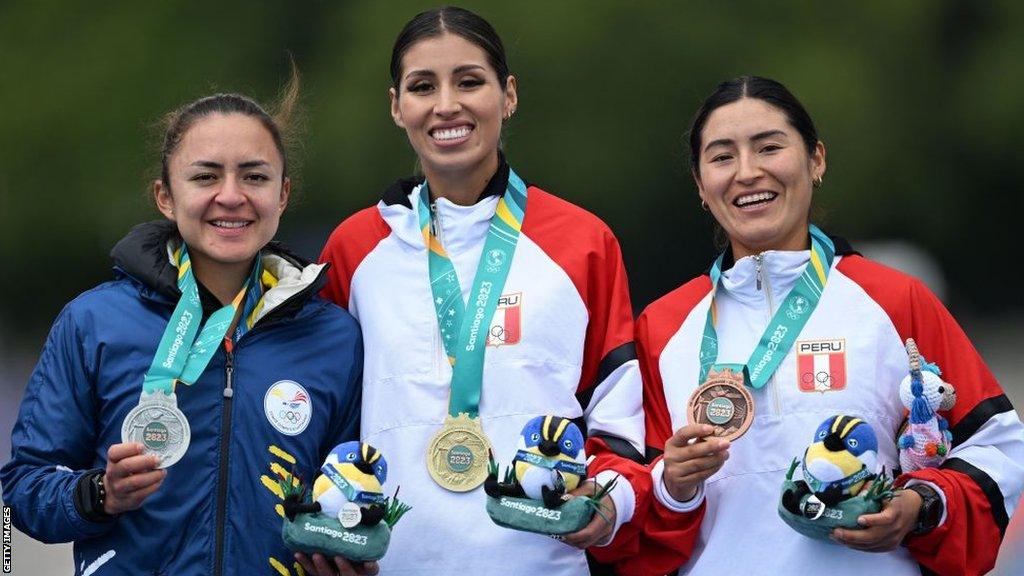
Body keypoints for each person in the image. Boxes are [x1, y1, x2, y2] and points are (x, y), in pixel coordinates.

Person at [319, 6, 666, 575]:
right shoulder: (354, 249)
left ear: (508, 95)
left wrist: (609, 501)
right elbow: (326, 422)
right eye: (422, 86)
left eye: (470, 81)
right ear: (396, 105)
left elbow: (619, 426)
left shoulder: (582, 241)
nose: (447, 105)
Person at [634, 75, 1024, 575]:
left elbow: (997, 445)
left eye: (769, 147)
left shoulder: (894, 299)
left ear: (815, 159)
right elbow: (625, 506)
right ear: (700, 184)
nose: (747, 172)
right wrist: (675, 485)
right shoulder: (662, 327)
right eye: (722, 156)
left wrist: (920, 505)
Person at [1, 78, 369, 576]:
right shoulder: (94, 324)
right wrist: (98, 494)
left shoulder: (333, 338)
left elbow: (347, 491)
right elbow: (20, 491)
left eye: (255, 177)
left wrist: (348, 553)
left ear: (283, 195)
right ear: (165, 197)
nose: (232, 196)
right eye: (205, 177)